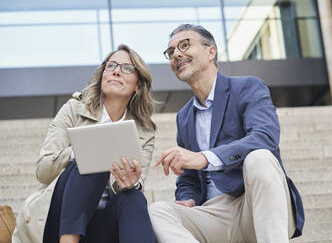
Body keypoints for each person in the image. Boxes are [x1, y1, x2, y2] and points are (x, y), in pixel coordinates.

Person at [149, 24, 305, 243]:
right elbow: (189, 179)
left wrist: (205, 158)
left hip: (255, 205)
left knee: (260, 157)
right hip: (214, 215)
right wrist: (187, 198)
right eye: (171, 51)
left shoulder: (248, 88)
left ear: (211, 51)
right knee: (156, 211)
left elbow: (265, 137)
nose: (177, 54)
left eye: (185, 45)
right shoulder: (184, 117)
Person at [12, 44, 157, 243]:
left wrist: (130, 183)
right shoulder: (74, 108)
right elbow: (43, 170)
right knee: (91, 158)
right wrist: (79, 151)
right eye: (111, 65)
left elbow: (133, 186)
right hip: (57, 221)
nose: (116, 71)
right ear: (102, 75)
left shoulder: (145, 131)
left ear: (138, 85)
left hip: (102, 227)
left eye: (126, 68)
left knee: (134, 197)